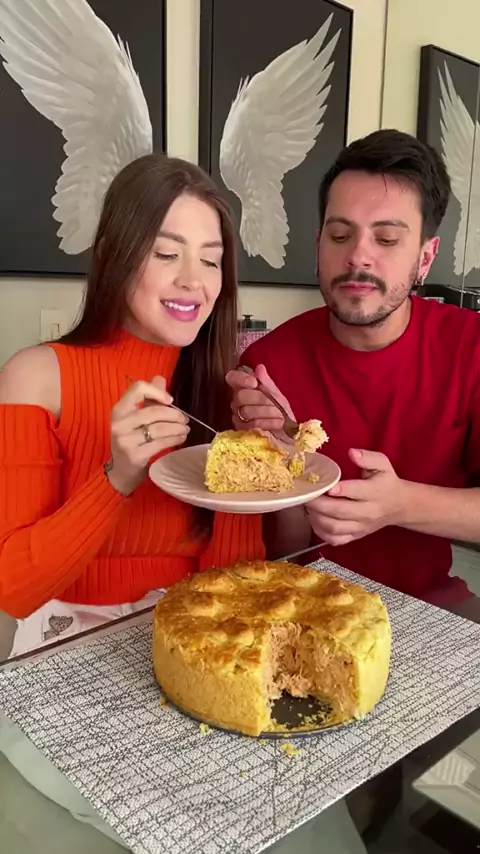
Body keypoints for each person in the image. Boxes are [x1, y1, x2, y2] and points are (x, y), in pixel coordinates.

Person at [0, 152, 265, 657]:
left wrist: (251, 462)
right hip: (66, 639)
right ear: (111, 256)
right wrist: (116, 477)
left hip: (191, 632)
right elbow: (14, 590)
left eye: (211, 260)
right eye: (166, 254)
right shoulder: (35, 377)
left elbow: (235, 585)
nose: (193, 280)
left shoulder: (223, 388)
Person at [227, 129, 480, 620]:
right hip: (297, 606)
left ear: (425, 257)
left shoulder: (469, 346)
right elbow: (281, 552)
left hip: (428, 605)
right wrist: (278, 469)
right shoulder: (267, 367)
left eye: (386, 239)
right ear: (318, 243)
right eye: (340, 236)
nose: (358, 256)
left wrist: (400, 504)